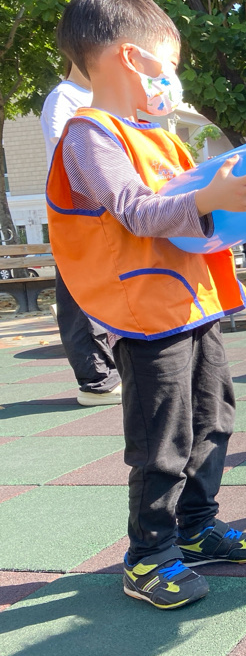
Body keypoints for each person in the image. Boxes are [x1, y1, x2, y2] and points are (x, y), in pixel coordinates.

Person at [48, 0, 246, 608]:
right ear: (131, 57)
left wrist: (221, 199)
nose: (173, 77)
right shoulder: (90, 133)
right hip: (146, 314)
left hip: (191, 303)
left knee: (214, 418)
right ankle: (148, 555)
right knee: (162, 439)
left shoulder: (158, 133)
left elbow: (196, 206)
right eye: (168, 63)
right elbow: (135, 210)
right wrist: (206, 199)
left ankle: (196, 527)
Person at [40, 62, 123, 406]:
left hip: (106, 210)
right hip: (79, 212)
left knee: (104, 293)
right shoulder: (64, 97)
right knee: (81, 298)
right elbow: (72, 154)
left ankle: (108, 373)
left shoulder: (104, 96)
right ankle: (96, 382)